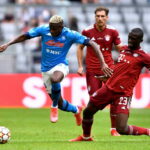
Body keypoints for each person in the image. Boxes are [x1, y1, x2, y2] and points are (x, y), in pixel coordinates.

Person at [0, 15, 112, 126]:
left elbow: (93, 44)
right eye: (51, 28)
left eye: (55, 28)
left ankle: (53, 106)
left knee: (55, 78)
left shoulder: (70, 34)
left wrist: (102, 63)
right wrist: (8, 44)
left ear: (61, 27)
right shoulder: (44, 29)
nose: (52, 31)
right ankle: (76, 110)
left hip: (61, 66)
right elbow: (25, 36)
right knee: (61, 104)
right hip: (45, 69)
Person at [70, 28, 150, 141]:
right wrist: (108, 77)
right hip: (108, 89)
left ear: (141, 40)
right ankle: (86, 137)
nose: (130, 40)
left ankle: (147, 131)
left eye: (134, 39)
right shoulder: (124, 50)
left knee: (121, 128)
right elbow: (121, 69)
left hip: (123, 94)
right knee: (88, 111)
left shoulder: (144, 56)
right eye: (130, 38)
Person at [77, 6, 122, 136]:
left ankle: (114, 129)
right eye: (98, 16)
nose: (100, 18)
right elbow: (79, 48)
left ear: (107, 17)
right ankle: (87, 134)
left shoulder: (113, 31)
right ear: (94, 17)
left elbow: (120, 49)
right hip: (92, 70)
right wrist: (80, 66)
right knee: (93, 101)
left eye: (102, 16)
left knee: (114, 99)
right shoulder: (87, 31)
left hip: (109, 70)